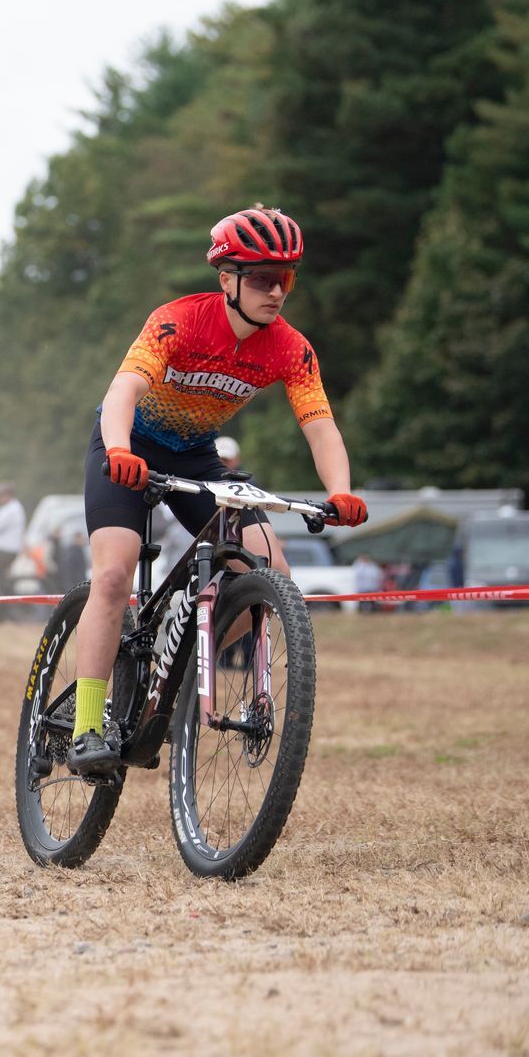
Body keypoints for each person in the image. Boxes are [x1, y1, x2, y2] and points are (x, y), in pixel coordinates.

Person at [64, 206, 368, 776]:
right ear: (226, 278)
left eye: (287, 279)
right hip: (125, 445)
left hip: (198, 456)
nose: (276, 291)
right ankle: (85, 725)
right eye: (261, 278)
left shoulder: (290, 347)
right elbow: (125, 388)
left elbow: (320, 425)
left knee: (271, 567)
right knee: (113, 572)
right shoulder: (178, 321)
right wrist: (121, 449)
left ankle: (174, 668)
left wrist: (341, 490)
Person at [0, 481, 25, 604]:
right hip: (7, 550)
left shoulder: (10, 509)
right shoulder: (13, 508)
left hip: (4, 550)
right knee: (0, 577)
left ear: (7, 495)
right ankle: (1, 601)